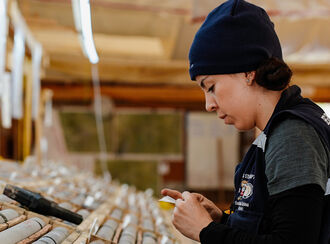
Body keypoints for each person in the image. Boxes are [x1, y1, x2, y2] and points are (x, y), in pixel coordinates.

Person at [161, 0, 330, 243]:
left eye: (210, 87)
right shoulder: (275, 133)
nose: (208, 104)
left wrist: (206, 231)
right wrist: (221, 220)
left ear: (248, 72)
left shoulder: (292, 135)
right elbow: (276, 225)